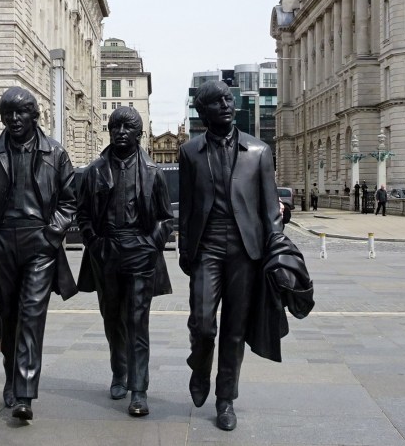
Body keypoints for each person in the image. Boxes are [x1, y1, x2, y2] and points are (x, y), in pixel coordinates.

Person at [178, 81, 283, 432]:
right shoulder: (190, 152)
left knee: (234, 330)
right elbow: (188, 208)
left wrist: (277, 252)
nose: (225, 105)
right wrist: (184, 249)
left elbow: (270, 211)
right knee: (203, 323)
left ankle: (226, 400)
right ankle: (199, 366)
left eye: (228, 99)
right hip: (207, 246)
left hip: (245, 250)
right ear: (202, 111)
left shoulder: (258, 151)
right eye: (216, 102)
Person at [0, 86, 77, 422]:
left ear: (35, 114)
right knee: (8, 319)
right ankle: (11, 375)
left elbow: (70, 200)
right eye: (8, 113)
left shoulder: (55, 154)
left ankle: (24, 393)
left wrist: (52, 233)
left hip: (39, 245)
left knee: (31, 316)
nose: (14, 119)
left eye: (21, 112)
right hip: (1, 244)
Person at [76, 106, 173, 417]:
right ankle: (119, 371)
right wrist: (95, 242)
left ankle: (139, 388)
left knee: (137, 322)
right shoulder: (94, 171)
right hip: (107, 251)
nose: (120, 132)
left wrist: (151, 244)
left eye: (127, 128)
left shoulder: (153, 172)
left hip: (140, 252)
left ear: (139, 135)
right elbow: (83, 215)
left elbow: (165, 219)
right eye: (115, 127)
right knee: (111, 318)